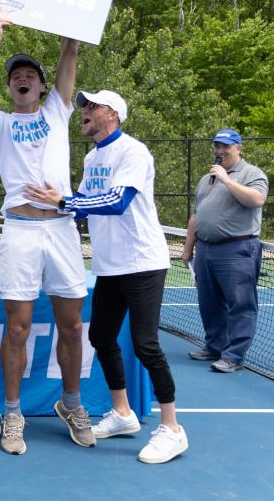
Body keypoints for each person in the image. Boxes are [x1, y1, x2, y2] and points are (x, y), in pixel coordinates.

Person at [25, 89, 188, 464]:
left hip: (143, 262)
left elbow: (116, 201)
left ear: (113, 114)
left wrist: (65, 202)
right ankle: (123, 413)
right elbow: (79, 204)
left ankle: (172, 429)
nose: (83, 109)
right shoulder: (92, 156)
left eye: (92, 105)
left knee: (146, 344)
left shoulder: (133, 152)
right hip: (110, 265)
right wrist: (49, 209)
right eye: (82, 104)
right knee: (99, 335)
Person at [0, 16, 94, 455]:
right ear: (11, 89)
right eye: (16, 76)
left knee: (72, 324)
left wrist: (75, 8)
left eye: (31, 76)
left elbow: (71, 51)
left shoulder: (58, 112)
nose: (23, 78)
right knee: (18, 329)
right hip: (20, 233)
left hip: (61, 229)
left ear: (43, 88)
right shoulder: (0, 124)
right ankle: (12, 414)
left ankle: (72, 404)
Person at [181, 129, 268, 373]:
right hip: (206, 251)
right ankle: (214, 346)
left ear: (239, 148)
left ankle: (233, 356)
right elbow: (197, 215)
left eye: (225, 146)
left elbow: (257, 200)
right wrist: (188, 248)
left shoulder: (252, 174)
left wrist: (227, 180)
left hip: (237, 249)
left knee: (240, 305)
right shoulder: (205, 179)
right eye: (217, 146)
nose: (220, 151)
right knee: (209, 303)